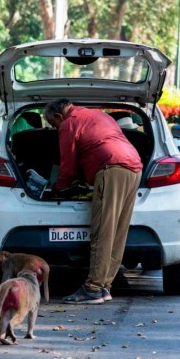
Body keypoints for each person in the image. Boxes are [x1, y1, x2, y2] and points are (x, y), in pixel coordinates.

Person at [43, 99, 143, 304]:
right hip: (134, 167)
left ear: (59, 116)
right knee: (117, 232)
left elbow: (68, 167)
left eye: (53, 124)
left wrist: (57, 189)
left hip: (111, 168)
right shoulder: (98, 114)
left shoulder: (69, 123)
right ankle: (105, 285)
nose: (55, 128)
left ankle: (93, 288)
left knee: (103, 231)